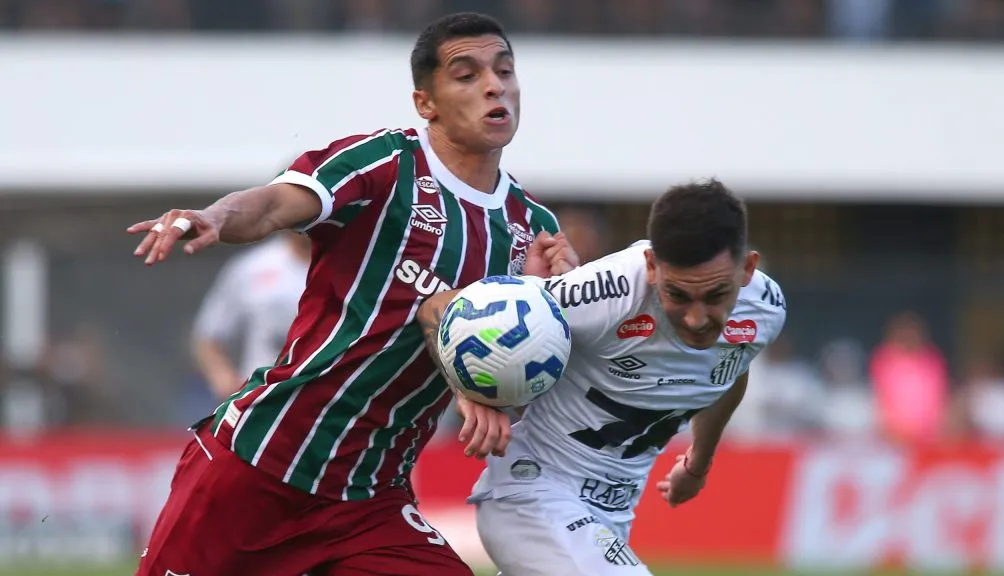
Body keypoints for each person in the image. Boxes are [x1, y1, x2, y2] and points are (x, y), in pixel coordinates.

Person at [127, 12, 577, 576]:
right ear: (426, 102)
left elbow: (511, 374)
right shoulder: (385, 164)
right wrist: (215, 216)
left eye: (505, 70)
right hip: (258, 470)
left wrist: (550, 296)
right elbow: (273, 204)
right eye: (467, 75)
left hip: (369, 502)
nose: (494, 85)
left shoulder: (529, 226)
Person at [417, 179, 788, 575]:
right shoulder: (605, 292)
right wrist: (469, 389)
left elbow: (730, 374)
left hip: (610, 517)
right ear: (651, 266)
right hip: (533, 494)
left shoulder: (765, 312)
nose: (697, 319)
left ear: (747, 269)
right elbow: (436, 309)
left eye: (716, 296)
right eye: (677, 295)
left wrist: (698, 463)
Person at [192, 231, 311, 400]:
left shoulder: (352, 269)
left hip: (330, 401)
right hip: (262, 399)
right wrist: (224, 380)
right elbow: (208, 336)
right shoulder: (252, 267)